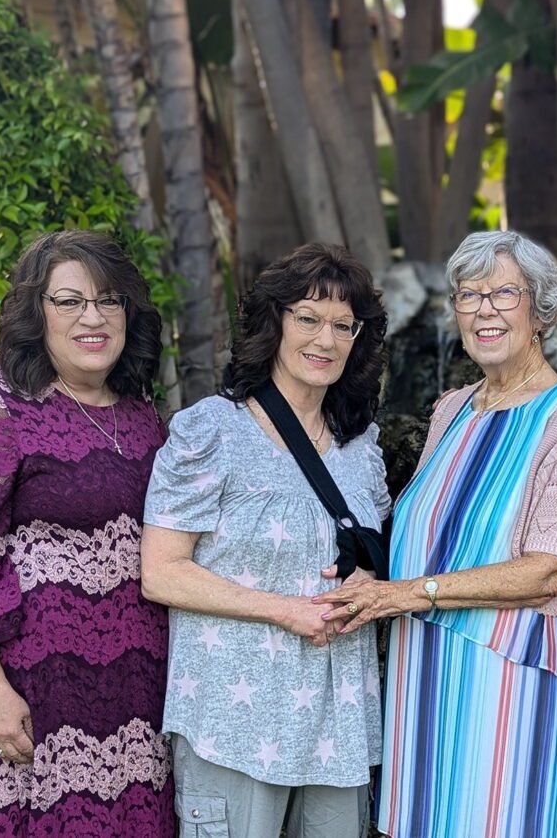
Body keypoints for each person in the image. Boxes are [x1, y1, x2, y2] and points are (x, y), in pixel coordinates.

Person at [313, 230, 557, 837]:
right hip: (422, 671)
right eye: (469, 295)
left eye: (503, 293)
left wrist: (402, 595)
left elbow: (554, 569)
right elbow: (425, 533)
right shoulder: (452, 408)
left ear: (540, 309)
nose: (483, 309)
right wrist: (371, 577)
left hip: (504, 675)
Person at [0, 231, 175, 836]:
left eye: (109, 301)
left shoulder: (137, 411)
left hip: (138, 691)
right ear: (37, 312)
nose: (93, 318)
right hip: (33, 693)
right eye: (70, 301)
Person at [140, 242, 390, 838]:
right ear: (273, 322)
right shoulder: (211, 430)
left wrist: (368, 584)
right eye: (307, 317)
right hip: (235, 715)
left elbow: (370, 558)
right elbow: (163, 572)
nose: (324, 340)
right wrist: (284, 611)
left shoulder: (363, 449)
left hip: (340, 722)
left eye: (342, 325)